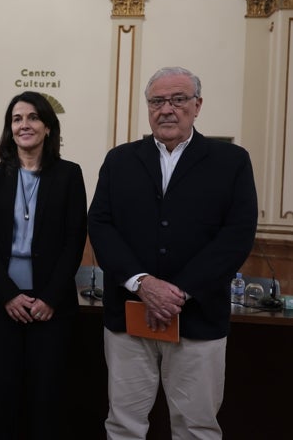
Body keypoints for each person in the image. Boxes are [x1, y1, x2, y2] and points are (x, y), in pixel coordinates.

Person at [88, 66, 258, 439]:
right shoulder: (120, 160)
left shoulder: (231, 161)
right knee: (123, 425)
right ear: (148, 108)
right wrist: (142, 283)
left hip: (198, 319)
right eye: (157, 101)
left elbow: (237, 234)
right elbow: (100, 225)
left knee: (196, 427)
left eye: (178, 100)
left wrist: (177, 291)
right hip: (129, 318)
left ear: (197, 105)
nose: (167, 109)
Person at [0, 91, 88, 439]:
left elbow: (74, 239)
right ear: (10, 130)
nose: (25, 125)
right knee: (1, 395)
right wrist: (8, 295)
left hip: (50, 305)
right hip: (1, 303)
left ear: (48, 127)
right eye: (17, 119)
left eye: (33, 117)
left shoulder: (69, 174)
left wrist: (50, 298)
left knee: (47, 396)